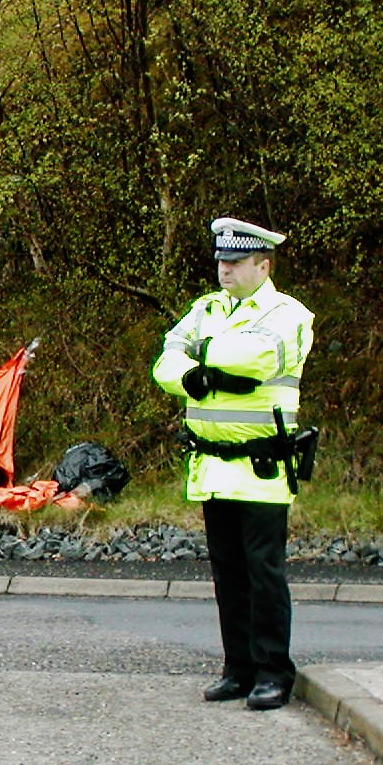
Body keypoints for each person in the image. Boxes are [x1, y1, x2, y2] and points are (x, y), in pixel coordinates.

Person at [151, 217, 316, 711]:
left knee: (264, 573)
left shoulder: (289, 313)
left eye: (237, 263)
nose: (225, 270)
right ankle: (238, 668)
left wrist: (200, 361)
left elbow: (259, 358)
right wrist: (198, 370)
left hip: (263, 469)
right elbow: (166, 361)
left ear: (263, 265)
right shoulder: (206, 308)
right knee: (229, 575)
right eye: (222, 261)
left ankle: (273, 672)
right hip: (213, 466)